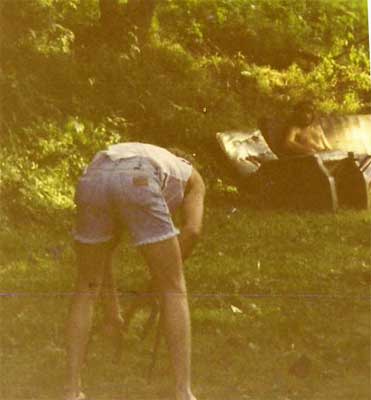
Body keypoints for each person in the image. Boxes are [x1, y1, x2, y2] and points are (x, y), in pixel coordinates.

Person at [64, 142, 206, 400]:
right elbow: (193, 230)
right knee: (174, 289)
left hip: (93, 176)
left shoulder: (143, 153)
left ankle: (72, 390)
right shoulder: (192, 177)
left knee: (85, 287)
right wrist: (159, 280)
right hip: (138, 178)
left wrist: (112, 312)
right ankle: (183, 392)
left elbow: (106, 248)